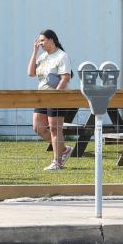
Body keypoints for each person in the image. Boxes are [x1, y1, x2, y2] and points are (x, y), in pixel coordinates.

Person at [28, 29, 75, 171]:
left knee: (55, 129)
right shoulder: (42, 57)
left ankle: (57, 162)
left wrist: (56, 95)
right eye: (39, 41)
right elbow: (31, 73)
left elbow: (65, 77)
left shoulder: (62, 56)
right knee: (38, 127)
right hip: (42, 96)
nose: (40, 43)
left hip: (57, 97)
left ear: (51, 40)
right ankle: (64, 149)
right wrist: (35, 52)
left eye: (42, 40)